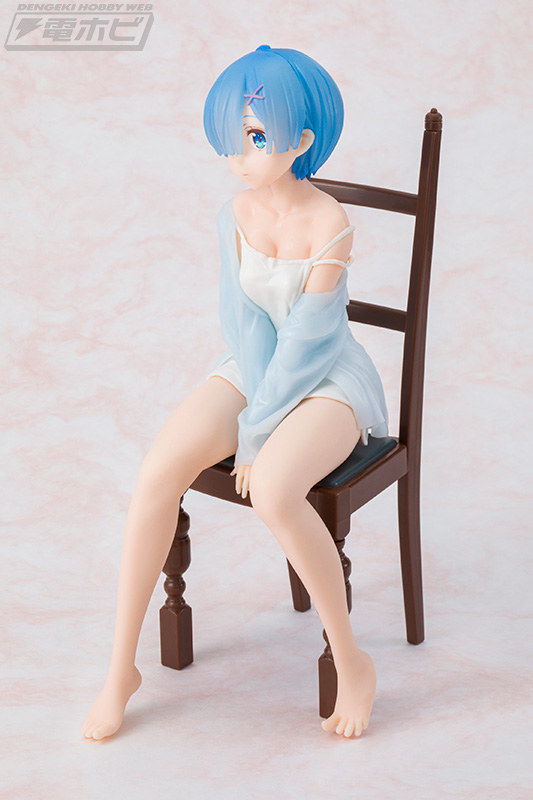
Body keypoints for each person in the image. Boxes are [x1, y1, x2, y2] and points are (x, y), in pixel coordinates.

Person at [81, 44, 389, 742]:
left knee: (274, 489)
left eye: (254, 137)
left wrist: (258, 432)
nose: (237, 156)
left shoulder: (330, 223)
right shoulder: (235, 213)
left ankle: (353, 662)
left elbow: (309, 341)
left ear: (300, 140)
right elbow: (244, 323)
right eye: (231, 138)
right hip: (256, 365)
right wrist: (251, 417)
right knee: (158, 470)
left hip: (327, 378)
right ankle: (120, 668)